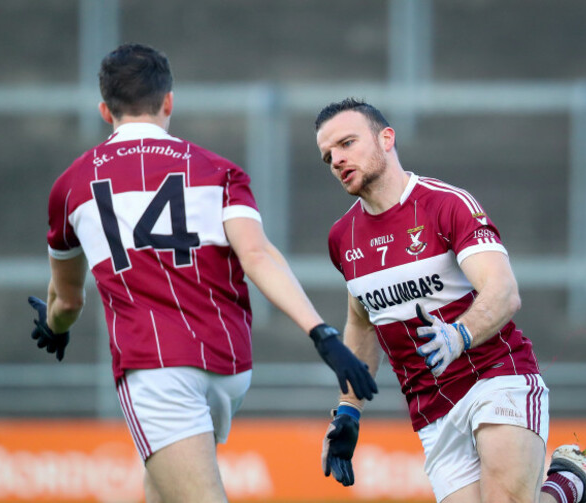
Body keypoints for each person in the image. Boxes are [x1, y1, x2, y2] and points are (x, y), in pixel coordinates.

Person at [27, 45, 378, 503]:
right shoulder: (217, 170)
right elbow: (258, 256)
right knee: (161, 490)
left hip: (156, 366)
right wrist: (322, 333)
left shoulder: (72, 186)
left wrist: (53, 327)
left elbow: (68, 301)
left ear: (104, 110)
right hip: (228, 363)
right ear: (168, 101)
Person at [314, 97, 586, 503]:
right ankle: (571, 482)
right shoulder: (341, 237)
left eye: (347, 143)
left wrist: (459, 335)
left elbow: (503, 292)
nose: (337, 160)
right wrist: (348, 409)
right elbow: (363, 323)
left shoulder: (445, 204)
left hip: (495, 375)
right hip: (431, 406)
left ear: (386, 138)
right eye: (327, 155)